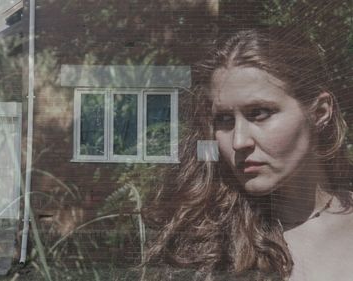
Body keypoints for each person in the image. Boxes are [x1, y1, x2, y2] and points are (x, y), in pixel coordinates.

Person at [144, 27, 353, 281]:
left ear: (320, 112)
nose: (238, 141)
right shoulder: (201, 242)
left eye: (259, 113)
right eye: (223, 119)